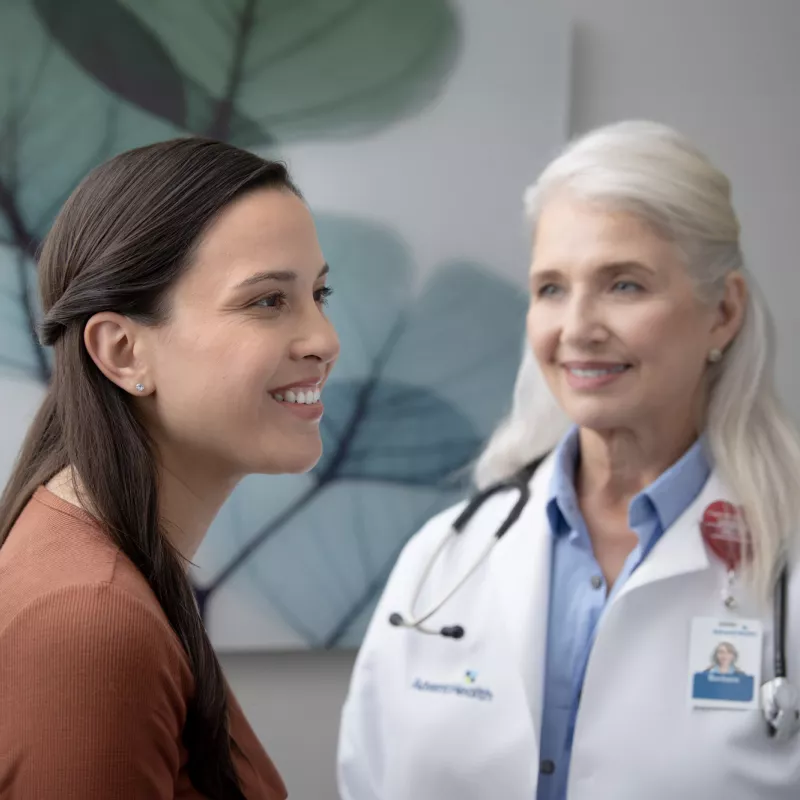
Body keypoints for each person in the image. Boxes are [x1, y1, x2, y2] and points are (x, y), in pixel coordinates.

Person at [337, 120, 800, 800]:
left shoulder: (784, 562)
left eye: (625, 285)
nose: (577, 328)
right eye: (551, 288)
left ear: (723, 312)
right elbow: (366, 781)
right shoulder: (445, 558)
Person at [0, 138, 339, 798]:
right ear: (122, 351)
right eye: (268, 301)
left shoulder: (105, 565)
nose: (324, 339)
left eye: (320, 293)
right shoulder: (92, 623)